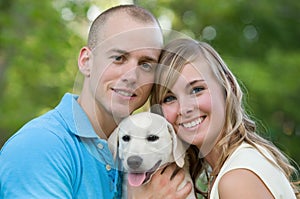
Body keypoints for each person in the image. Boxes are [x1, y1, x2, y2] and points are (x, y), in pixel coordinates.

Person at [0, 5, 192, 198]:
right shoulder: (39, 147)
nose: (132, 76)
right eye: (119, 58)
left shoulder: (149, 156)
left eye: (146, 64)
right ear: (86, 61)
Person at [150, 38, 300, 198]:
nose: (184, 108)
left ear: (227, 87)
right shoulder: (232, 168)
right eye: (169, 98)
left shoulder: (238, 179)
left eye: (196, 90)